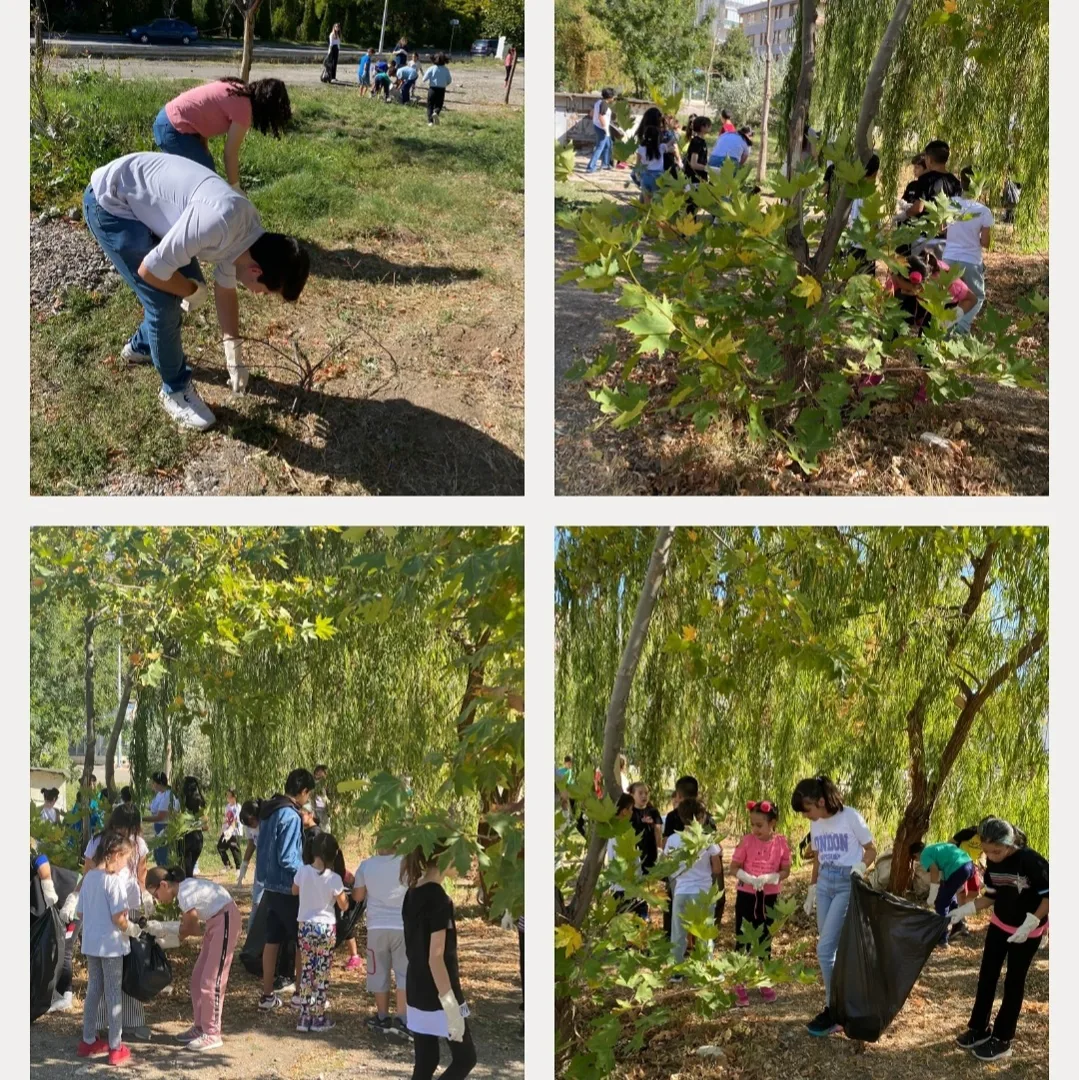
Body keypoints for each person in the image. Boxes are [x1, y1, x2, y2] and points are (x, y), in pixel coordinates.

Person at [84, 153, 310, 430]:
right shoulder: (217, 223)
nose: (258, 294)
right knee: (164, 301)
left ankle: (142, 346)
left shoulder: (247, 233)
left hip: (148, 202)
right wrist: (192, 290)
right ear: (256, 272)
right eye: (264, 292)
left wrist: (233, 354)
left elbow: (226, 289)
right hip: (111, 202)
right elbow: (149, 271)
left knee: (177, 283)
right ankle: (175, 391)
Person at [950, 817, 1048, 1063]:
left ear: (1010, 842)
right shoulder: (992, 865)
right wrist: (965, 910)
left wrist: (1032, 922)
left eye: (997, 851)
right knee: (987, 975)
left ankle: (1003, 1039)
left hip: (1028, 930)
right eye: (987, 851)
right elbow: (990, 897)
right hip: (1000, 925)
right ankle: (979, 1029)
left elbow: (1050, 896)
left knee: (1014, 980)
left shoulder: (1032, 861)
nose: (992, 857)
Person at [793, 775, 877, 1037]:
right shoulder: (817, 824)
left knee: (824, 948)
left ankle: (834, 1010)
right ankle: (842, 1003)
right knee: (830, 948)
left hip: (846, 882)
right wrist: (812, 889)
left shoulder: (850, 816)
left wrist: (860, 868)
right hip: (826, 882)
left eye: (807, 810)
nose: (807, 816)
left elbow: (872, 850)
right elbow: (818, 858)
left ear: (821, 801)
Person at [401, 843, 477, 1079]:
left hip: (416, 987)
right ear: (446, 857)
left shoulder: (412, 892)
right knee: (466, 1058)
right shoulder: (439, 900)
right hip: (439, 993)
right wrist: (452, 1007)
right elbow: (436, 957)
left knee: (427, 1061)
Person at [146, 865, 241, 1052]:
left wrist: (165, 933)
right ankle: (200, 1027)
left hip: (225, 920)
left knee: (211, 981)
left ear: (164, 885)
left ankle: (212, 1033)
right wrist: (170, 932)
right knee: (197, 978)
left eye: (156, 895)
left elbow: (192, 930)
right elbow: (192, 928)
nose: (157, 900)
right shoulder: (184, 889)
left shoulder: (184, 894)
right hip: (215, 923)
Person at [81, 804, 154, 1042]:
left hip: (124, 906)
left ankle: (127, 1023)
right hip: (112, 915)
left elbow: (141, 876)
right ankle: (109, 1032)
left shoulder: (138, 844)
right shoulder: (98, 842)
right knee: (108, 982)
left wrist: (145, 897)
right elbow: (89, 871)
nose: (126, 832)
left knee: (128, 969)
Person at [153, 78, 292, 190]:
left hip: (168, 120)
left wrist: (203, 142)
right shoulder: (244, 109)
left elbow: (204, 106)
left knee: (201, 175)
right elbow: (230, 154)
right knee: (208, 183)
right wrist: (236, 188)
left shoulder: (237, 88)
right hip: (173, 130)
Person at [75, 829, 139, 1067]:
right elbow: (119, 919)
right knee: (113, 993)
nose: (125, 866)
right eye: (124, 860)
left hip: (91, 944)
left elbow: (80, 912)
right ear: (114, 855)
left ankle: (88, 1039)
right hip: (112, 946)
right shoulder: (113, 882)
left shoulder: (89, 878)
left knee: (94, 990)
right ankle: (115, 1046)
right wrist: (132, 929)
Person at [255, 768, 314, 1010]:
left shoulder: (269, 811)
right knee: (302, 940)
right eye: (307, 795)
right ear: (302, 792)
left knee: (273, 940)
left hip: (269, 885)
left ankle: (267, 995)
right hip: (289, 888)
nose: (307, 799)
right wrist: (308, 874)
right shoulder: (289, 816)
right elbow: (288, 857)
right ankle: (300, 993)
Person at [730, 799, 791, 1007]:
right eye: (752, 824)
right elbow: (734, 867)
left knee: (764, 937)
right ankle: (739, 981)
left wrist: (772, 878)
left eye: (760, 825)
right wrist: (748, 878)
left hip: (769, 897)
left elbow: (786, 870)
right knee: (744, 936)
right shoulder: (746, 841)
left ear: (772, 822)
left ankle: (764, 979)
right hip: (747, 896)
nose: (755, 829)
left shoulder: (781, 842)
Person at [291, 832, 348, 1032]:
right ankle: (318, 1016)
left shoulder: (303, 871)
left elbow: (294, 891)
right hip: (325, 927)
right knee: (322, 972)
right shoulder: (334, 878)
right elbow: (343, 905)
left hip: (305, 925)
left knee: (307, 969)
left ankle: (304, 1017)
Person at [354, 843, 410, 1038]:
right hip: (403, 925)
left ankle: (382, 1016)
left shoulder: (366, 865)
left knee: (378, 971)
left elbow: (359, 896)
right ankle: (403, 1018)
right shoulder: (407, 863)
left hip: (376, 926)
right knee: (404, 973)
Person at [664, 798, 723, 967]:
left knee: (678, 933)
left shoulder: (673, 840)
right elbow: (717, 869)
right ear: (701, 817)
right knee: (705, 933)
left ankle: (676, 969)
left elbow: (668, 866)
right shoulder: (708, 839)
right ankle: (705, 968)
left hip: (681, 891)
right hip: (703, 892)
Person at [942, 169, 993, 333]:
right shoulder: (983, 211)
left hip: (949, 257)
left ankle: (946, 329)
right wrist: (973, 238)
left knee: (949, 296)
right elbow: (985, 242)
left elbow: (940, 229)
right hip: (971, 260)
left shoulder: (949, 204)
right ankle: (962, 327)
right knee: (977, 297)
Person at [32, 843, 79, 1013]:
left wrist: (48, 888)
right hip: (56, 905)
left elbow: (41, 860)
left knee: (63, 947)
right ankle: (54, 993)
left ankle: (66, 995)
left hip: (72, 897)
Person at [909, 837, 975, 945]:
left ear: (916, 854)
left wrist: (933, 894)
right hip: (968, 864)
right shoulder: (936, 848)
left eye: (916, 860)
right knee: (950, 898)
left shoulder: (924, 854)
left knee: (941, 903)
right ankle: (958, 925)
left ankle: (941, 938)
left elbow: (934, 870)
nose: (919, 862)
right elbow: (944, 875)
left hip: (958, 868)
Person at [236, 798, 265, 933]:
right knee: (256, 902)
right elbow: (251, 844)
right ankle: (251, 937)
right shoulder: (250, 826)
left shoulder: (267, 823)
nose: (250, 827)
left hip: (272, 866)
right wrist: (244, 866)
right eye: (247, 825)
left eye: (252, 822)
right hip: (261, 865)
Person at [629, 781, 663, 879]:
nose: (644, 796)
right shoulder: (629, 812)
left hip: (651, 851)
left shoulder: (653, 811)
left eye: (646, 793)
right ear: (632, 795)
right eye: (640, 793)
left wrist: (659, 849)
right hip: (635, 852)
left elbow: (658, 831)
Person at [635, 107, 668, 201]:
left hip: (645, 173)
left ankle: (645, 212)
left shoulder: (642, 143)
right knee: (657, 199)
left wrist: (638, 174)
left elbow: (638, 162)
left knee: (646, 199)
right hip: (658, 174)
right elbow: (670, 146)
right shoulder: (661, 146)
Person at [149, 772, 179, 867]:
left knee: (163, 855)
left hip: (165, 826)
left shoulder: (167, 796)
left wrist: (141, 819)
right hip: (158, 827)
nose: (152, 784)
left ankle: (165, 874)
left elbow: (160, 816)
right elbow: (152, 807)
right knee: (157, 854)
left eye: (153, 782)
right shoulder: (159, 794)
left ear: (159, 783)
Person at [179, 776, 207, 878]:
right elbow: (205, 823)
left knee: (186, 870)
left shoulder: (183, 802)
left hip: (187, 836)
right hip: (199, 837)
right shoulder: (201, 800)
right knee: (191, 865)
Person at [422, 54, 453, 126]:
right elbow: (449, 80)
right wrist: (444, 84)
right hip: (441, 89)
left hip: (432, 89)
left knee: (430, 105)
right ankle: (436, 112)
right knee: (439, 104)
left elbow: (424, 79)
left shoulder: (431, 68)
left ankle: (430, 122)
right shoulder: (446, 69)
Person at [217, 789, 243, 870]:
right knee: (220, 847)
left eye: (229, 796)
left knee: (235, 850)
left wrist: (231, 830)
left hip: (235, 832)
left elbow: (235, 820)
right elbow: (226, 818)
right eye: (226, 795)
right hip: (227, 832)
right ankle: (227, 865)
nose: (227, 797)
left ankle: (239, 869)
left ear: (234, 797)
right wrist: (222, 829)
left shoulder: (237, 807)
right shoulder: (227, 806)